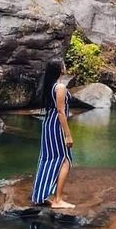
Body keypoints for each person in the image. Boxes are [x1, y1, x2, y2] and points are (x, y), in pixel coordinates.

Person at [31, 59, 75, 208]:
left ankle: (40, 196)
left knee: (48, 159)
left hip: (48, 126)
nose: (66, 66)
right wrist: (67, 134)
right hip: (56, 127)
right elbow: (61, 112)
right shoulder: (60, 87)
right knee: (65, 160)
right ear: (59, 69)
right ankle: (58, 200)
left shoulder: (49, 86)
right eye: (64, 64)